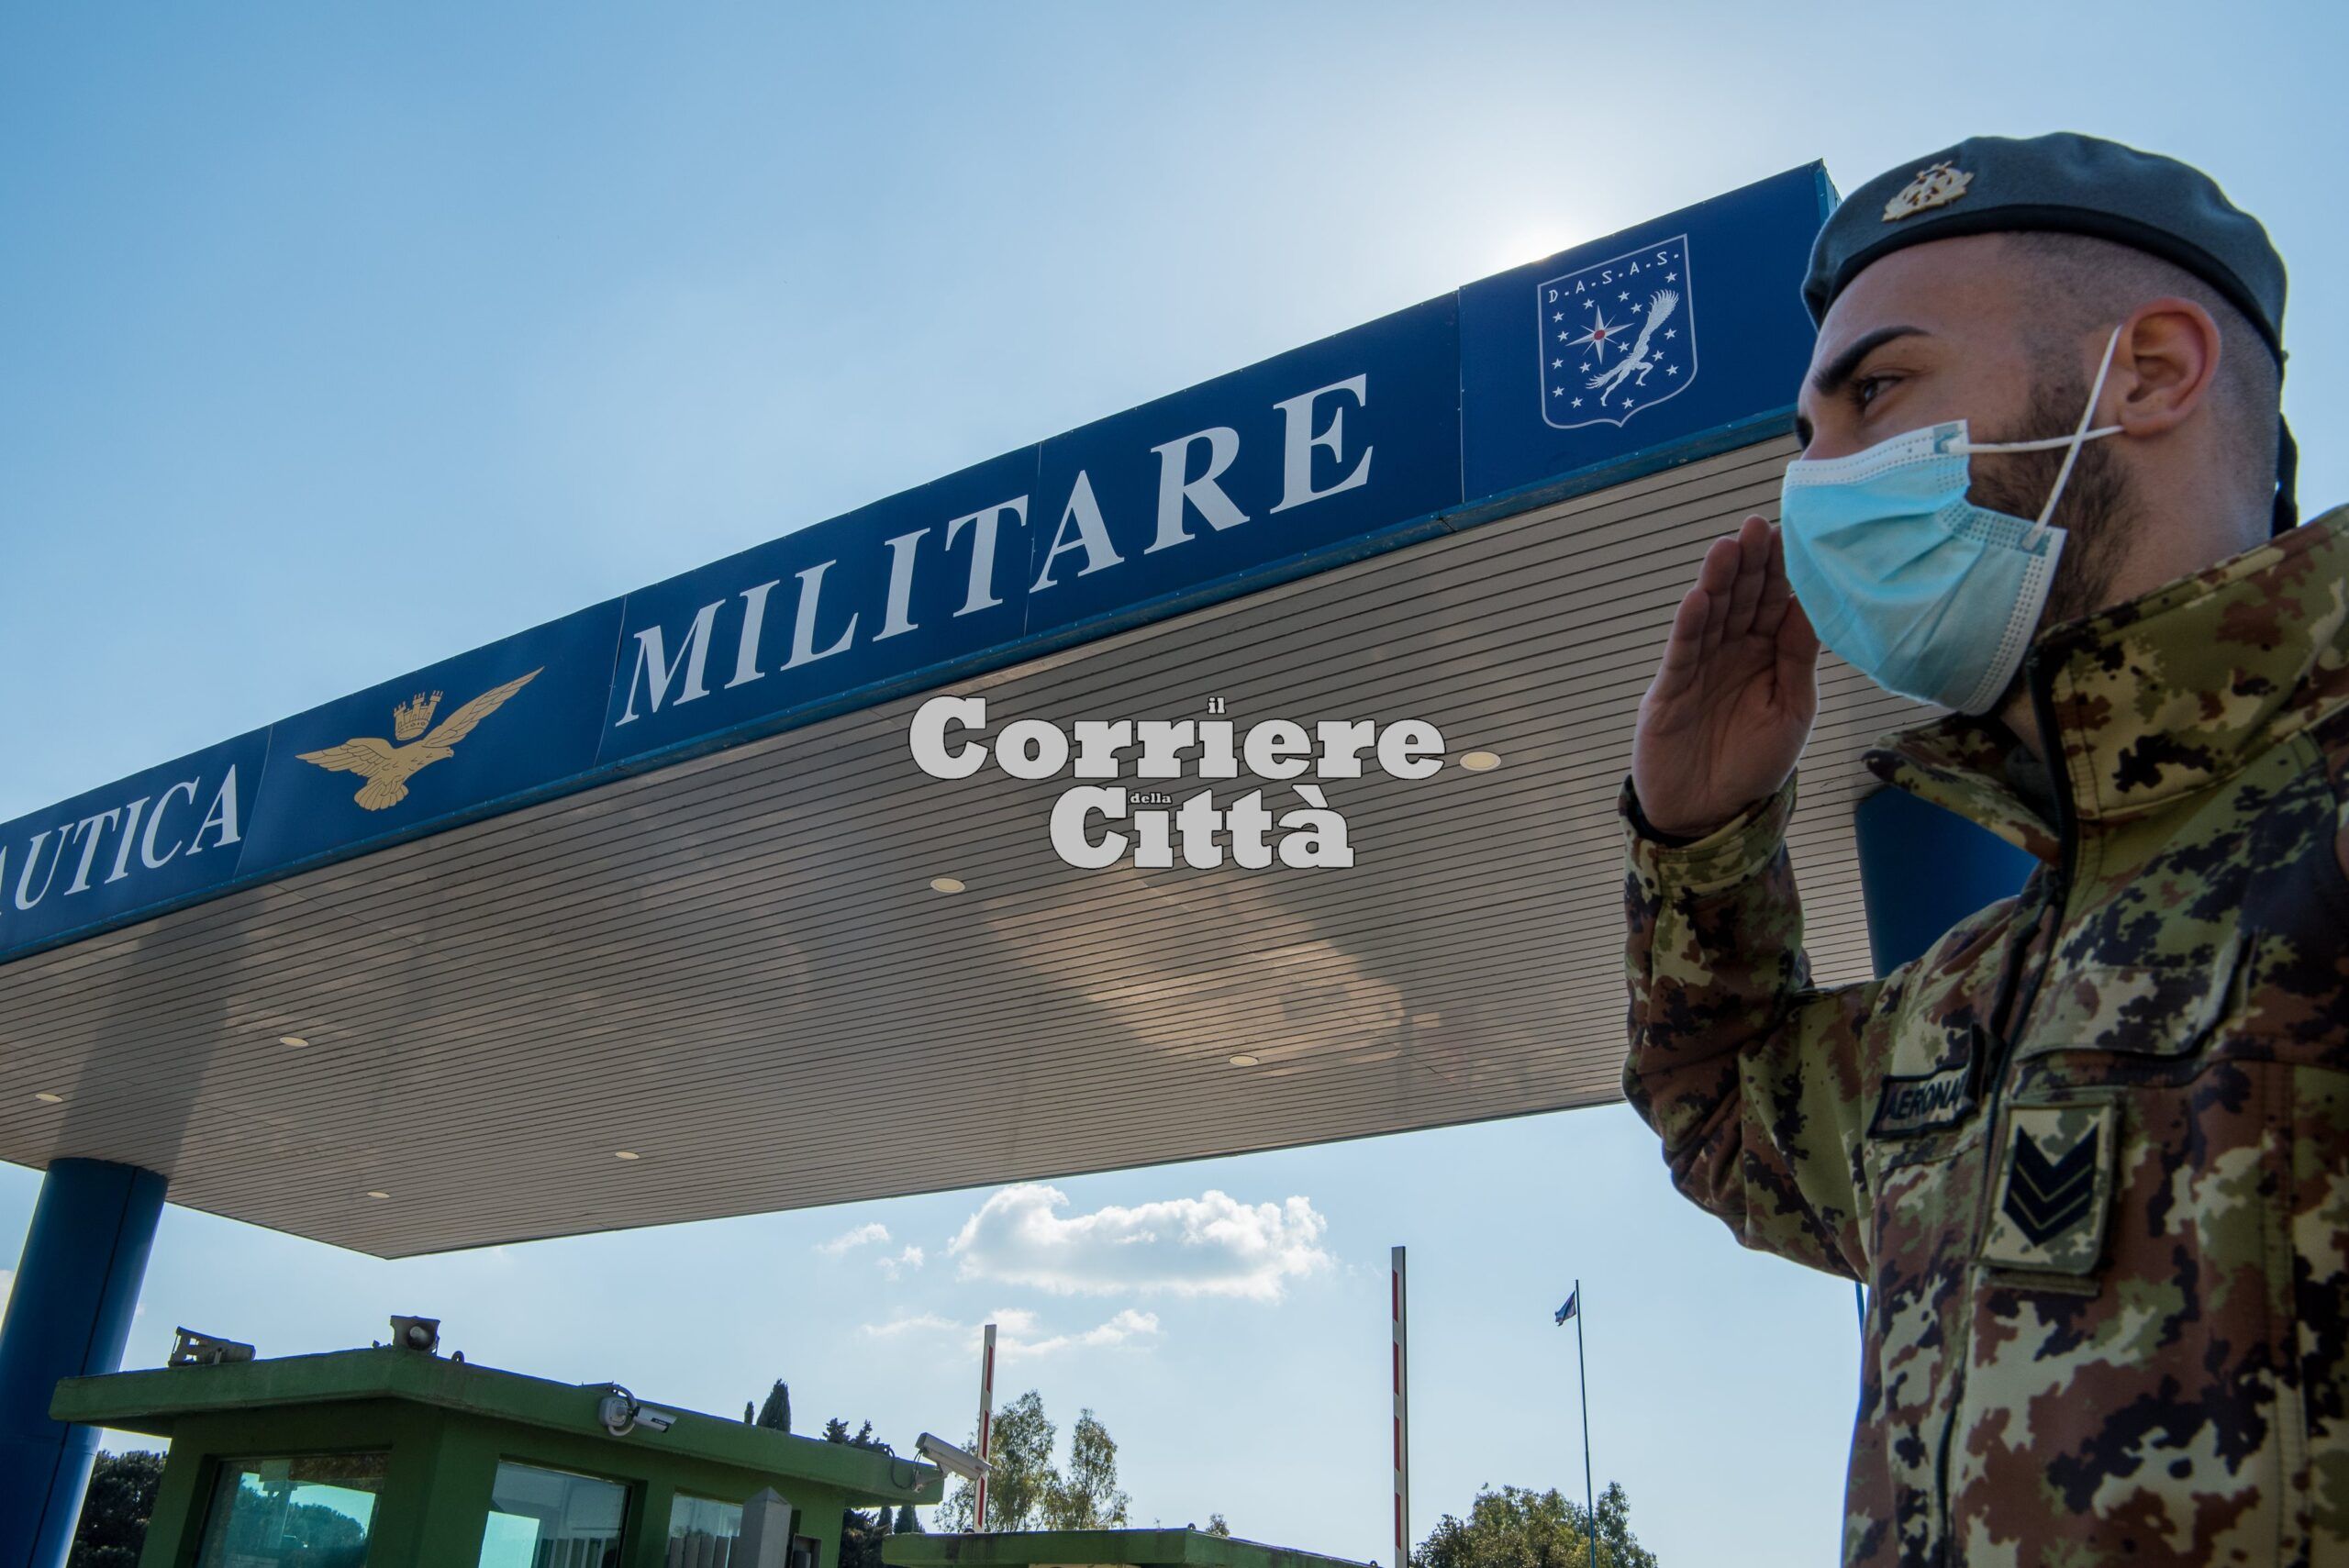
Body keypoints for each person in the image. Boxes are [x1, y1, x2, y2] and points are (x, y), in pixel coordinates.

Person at [1620, 132, 2345, 1565]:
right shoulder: (1975, 985)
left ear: (2147, 373)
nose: (1812, 485)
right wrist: (1699, 841)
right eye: (1807, 440)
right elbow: (1726, 1117)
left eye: (1874, 392)